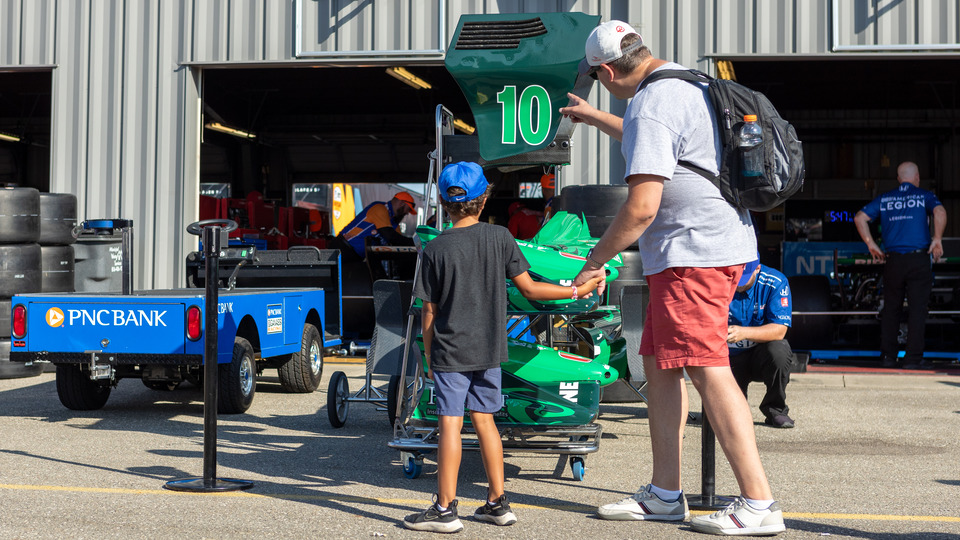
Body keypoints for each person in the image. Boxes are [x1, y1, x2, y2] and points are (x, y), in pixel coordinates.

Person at [561, 20, 785, 535]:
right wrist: (598, 118)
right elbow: (665, 146)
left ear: (609, 69)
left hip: (693, 255)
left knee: (707, 367)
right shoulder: (689, 83)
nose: (605, 90)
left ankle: (759, 504)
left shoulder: (651, 101)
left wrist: (594, 262)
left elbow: (641, 208)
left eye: (600, 82)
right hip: (704, 249)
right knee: (661, 365)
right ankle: (665, 494)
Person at [402, 162, 603, 533]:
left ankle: (444, 510)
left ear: (446, 204)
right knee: (486, 422)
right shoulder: (500, 239)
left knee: (450, 424)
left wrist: (429, 356)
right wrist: (579, 290)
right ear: (483, 200)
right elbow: (530, 290)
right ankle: (497, 503)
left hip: (450, 350)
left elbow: (428, 310)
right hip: (490, 349)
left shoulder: (435, 248)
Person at [854, 161, 946, 370]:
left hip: (893, 260)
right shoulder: (924, 196)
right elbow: (940, 212)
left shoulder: (885, 198)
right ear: (917, 178)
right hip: (918, 259)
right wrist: (937, 238)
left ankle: (888, 357)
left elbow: (860, 218)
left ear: (898, 179)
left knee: (891, 309)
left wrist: (871, 245)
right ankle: (912, 359)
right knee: (917, 310)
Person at [728, 259, 797, 429]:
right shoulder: (718, 279)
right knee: (732, 418)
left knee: (780, 350)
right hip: (727, 357)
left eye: (743, 278)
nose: (738, 283)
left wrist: (742, 332)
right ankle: (728, 408)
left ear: (757, 269)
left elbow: (780, 330)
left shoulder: (775, 281)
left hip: (759, 355)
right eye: (735, 277)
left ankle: (776, 410)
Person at [331, 192, 417, 262]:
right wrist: (416, 243)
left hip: (356, 255)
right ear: (402, 203)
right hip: (343, 249)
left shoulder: (394, 223)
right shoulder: (380, 208)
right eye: (408, 209)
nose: (407, 213)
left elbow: (398, 242)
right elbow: (390, 236)